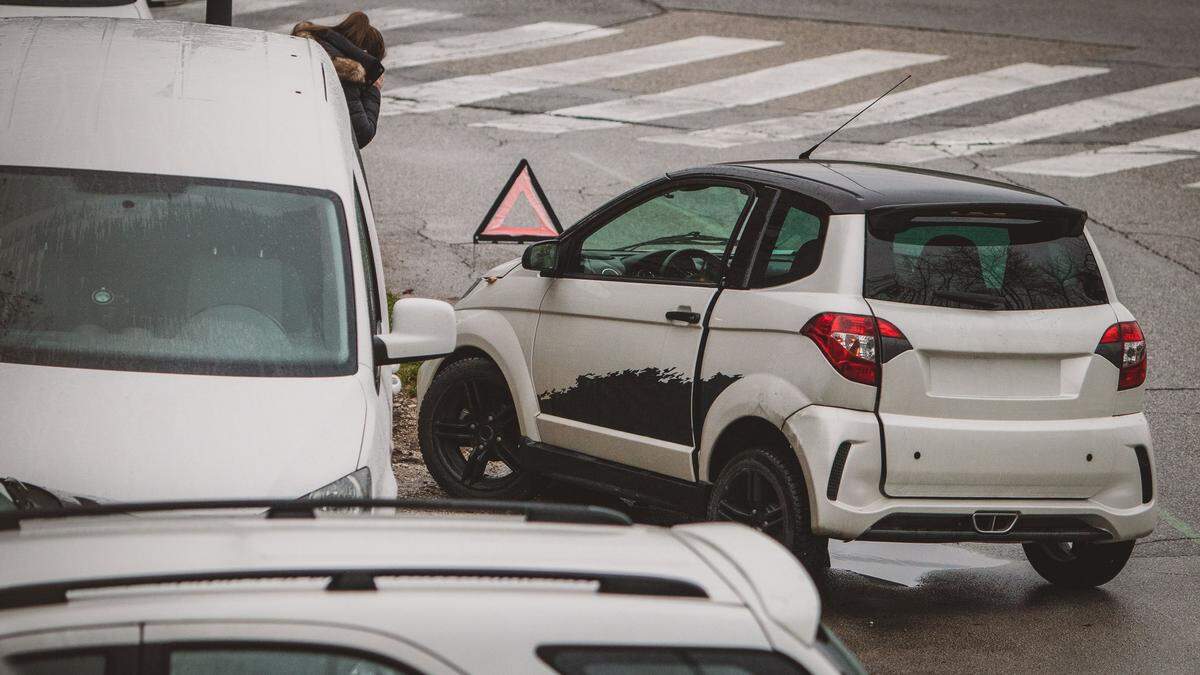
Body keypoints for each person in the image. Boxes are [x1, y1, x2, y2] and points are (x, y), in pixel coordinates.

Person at [292, 12, 385, 148]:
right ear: (364, 54)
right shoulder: (347, 71)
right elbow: (362, 135)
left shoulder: (316, 44)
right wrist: (373, 89)